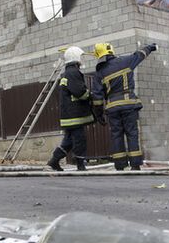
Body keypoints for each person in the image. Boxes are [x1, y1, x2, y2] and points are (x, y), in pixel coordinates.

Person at [91, 42, 157, 171]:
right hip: (129, 106)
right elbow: (140, 54)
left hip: (112, 109)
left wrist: (99, 116)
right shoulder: (126, 61)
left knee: (116, 135)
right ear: (111, 51)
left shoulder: (99, 73)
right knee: (132, 134)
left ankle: (120, 165)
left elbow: (97, 99)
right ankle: (135, 165)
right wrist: (151, 47)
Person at [47, 47, 95, 172]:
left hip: (68, 114)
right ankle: (80, 164)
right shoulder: (74, 72)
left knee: (68, 140)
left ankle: (54, 161)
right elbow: (80, 92)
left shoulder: (67, 73)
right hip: (75, 115)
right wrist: (90, 95)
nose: (82, 59)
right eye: (81, 56)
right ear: (75, 57)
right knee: (79, 139)